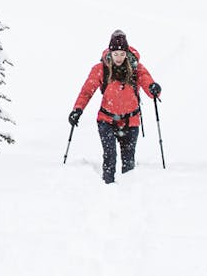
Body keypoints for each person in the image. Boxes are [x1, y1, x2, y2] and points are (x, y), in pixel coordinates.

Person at [69, 30, 161, 184]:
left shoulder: (136, 68)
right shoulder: (101, 69)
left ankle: (128, 195)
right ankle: (107, 189)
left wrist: (154, 89)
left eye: (122, 54)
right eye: (115, 54)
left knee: (128, 162)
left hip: (130, 121)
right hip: (107, 120)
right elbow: (86, 91)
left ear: (126, 52)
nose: (119, 57)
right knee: (110, 156)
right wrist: (77, 110)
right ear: (110, 53)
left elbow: (147, 83)